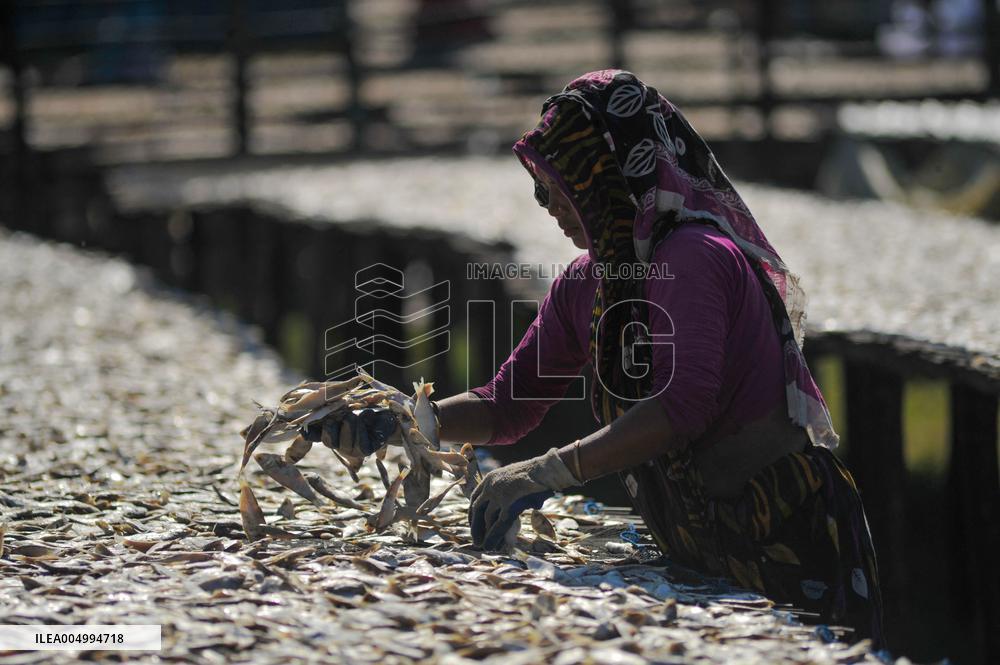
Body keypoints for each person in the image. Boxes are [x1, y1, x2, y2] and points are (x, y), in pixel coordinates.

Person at [353, 70, 885, 647]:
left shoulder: (694, 258)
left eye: (563, 186)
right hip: (695, 543)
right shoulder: (590, 282)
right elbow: (507, 405)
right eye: (542, 190)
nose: (550, 206)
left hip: (780, 530)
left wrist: (548, 471)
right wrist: (403, 418)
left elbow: (682, 408)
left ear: (607, 179)